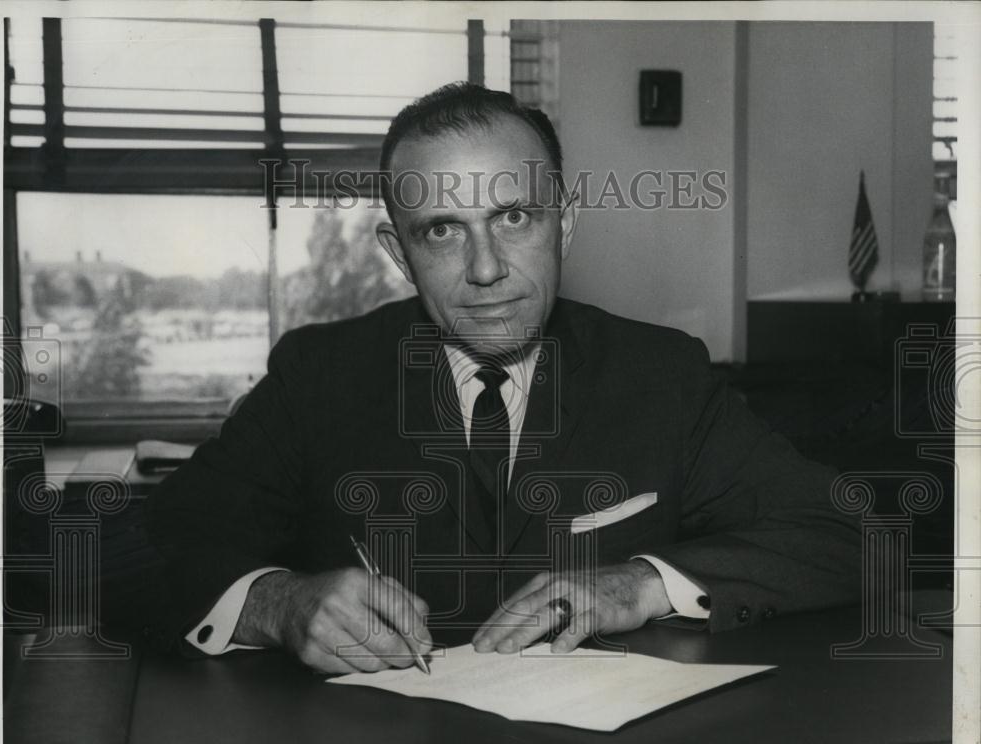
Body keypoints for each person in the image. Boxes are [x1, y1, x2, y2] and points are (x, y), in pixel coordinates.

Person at [144, 82, 861, 674]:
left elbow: (851, 533)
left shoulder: (659, 375)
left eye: (514, 216)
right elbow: (134, 550)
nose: (486, 269)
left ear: (565, 226)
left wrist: (638, 584)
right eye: (443, 230)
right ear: (399, 252)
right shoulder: (319, 377)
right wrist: (280, 602)